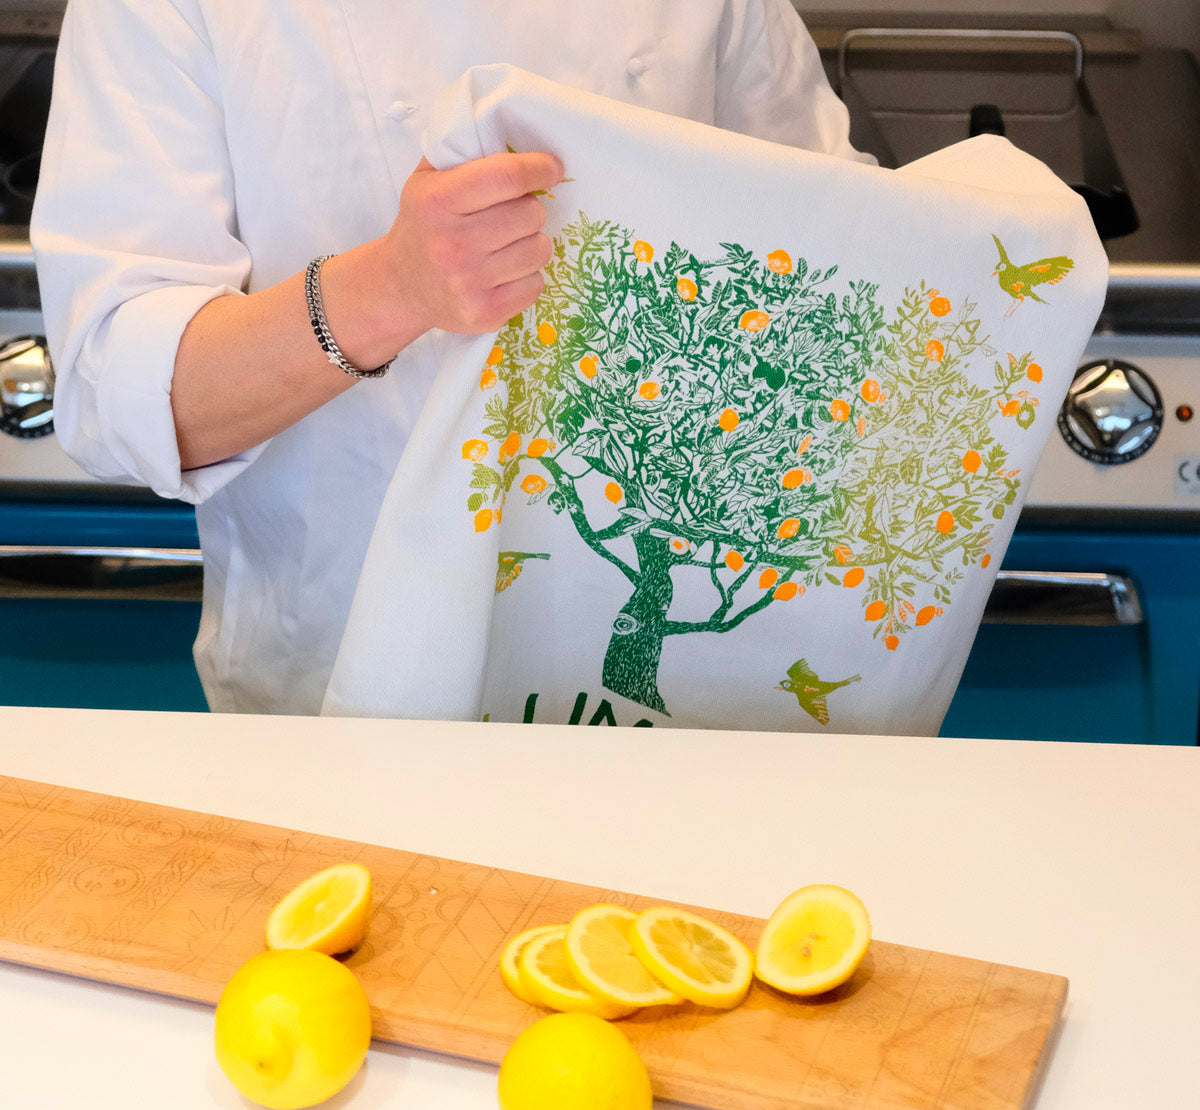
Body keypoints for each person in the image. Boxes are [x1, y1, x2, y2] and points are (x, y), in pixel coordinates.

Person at [32, 0, 872, 715]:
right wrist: (388, 290)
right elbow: (116, 391)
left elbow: (843, 243)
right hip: (336, 683)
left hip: (687, 685)